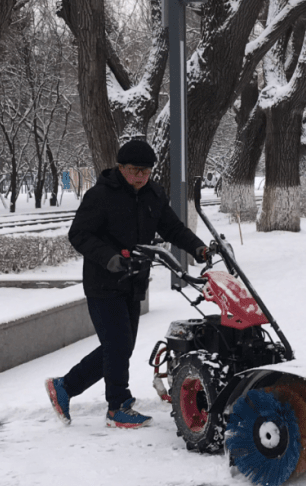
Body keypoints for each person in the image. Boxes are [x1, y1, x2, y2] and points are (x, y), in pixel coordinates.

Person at [45, 139, 209, 428]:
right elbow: (79, 235)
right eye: (134, 170)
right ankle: (117, 406)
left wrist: (199, 248)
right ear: (120, 168)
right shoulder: (100, 196)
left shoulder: (153, 195)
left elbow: (172, 228)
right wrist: (109, 258)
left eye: (145, 172)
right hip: (103, 283)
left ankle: (65, 387)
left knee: (119, 348)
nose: (140, 177)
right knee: (118, 345)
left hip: (134, 281)